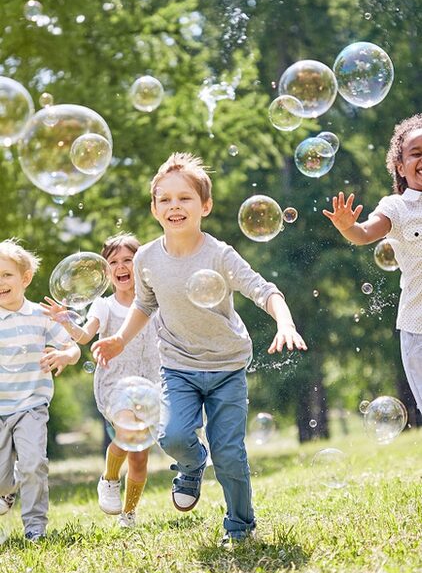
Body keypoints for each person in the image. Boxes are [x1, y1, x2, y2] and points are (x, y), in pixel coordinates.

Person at [91, 152, 307, 545]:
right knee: (171, 436)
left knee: (230, 454)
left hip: (226, 366)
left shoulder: (219, 254)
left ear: (204, 205)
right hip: (178, 366)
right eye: (165, 199)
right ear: (155, 208)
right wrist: (120, 339)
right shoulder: (146, 258)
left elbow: (264, 290)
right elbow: (144, 304)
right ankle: (191, 464)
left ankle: (240, 526)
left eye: (185, 198)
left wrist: (285, 322)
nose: (175, 206)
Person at [41, 233, 160, 529]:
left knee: (140, 458)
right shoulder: (104, 306)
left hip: (151, 384)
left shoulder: (156, 301)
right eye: (114, 262)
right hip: (116, 383)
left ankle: (129, 513)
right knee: (126, 434)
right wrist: (66, 321)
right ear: (107, 272)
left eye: (128, 260)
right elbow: (84, 336)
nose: (121, 267)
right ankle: (109, 479)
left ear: (141, 265)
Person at [322, 113, 422, 416]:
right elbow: (365, 232)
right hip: (419, 327)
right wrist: (346, 227)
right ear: (400, 167)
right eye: (416, 154)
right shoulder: (397, 207)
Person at [0, 239, 81, 541]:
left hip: (31, 406)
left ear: (25, 278)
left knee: (34, 463)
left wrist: (64, 355)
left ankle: (35, 528)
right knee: (2, 480)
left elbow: (72, 348)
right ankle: (8, 489)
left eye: (7, 275)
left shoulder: (40, 316)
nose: (1, 282)